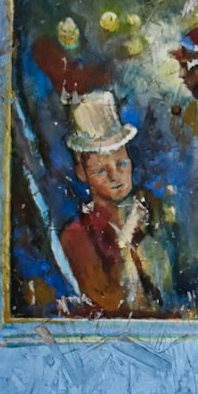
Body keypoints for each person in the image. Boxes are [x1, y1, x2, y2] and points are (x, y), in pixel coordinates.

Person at [59, 89, 172, 315]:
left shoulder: (149, 216)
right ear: (82, 172)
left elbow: (166, 288)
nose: (115, 176)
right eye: (101, 170)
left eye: (121, 164)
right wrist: (123, 243)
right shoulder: (76, 235)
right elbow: (111, 303)